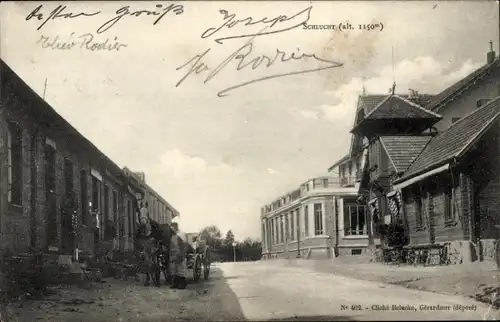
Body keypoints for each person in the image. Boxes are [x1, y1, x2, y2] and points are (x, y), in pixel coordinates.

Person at [169, 222, 187, 289]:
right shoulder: (172, 236)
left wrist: (181, 254)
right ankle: (175, 283)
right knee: (174, 269)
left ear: (176, 227)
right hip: (173, 254)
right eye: (171, 228)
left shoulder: (181, 234)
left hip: (179, 254)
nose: (171, 229)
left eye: (173, 228)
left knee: (180, 269)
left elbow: (184, 246)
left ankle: (182, 283)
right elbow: (171, 246)